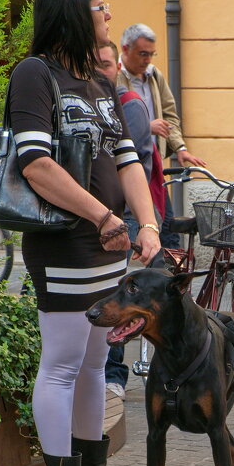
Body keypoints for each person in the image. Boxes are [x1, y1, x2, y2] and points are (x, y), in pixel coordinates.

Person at [9, 0, 161, 466]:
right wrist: (102, 216)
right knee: (63, 364)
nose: (107, 11)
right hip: (65, 244)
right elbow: (36, 165)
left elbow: (129, 159)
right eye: (99, 5)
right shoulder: (35, 76)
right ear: (73, 12)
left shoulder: (95, 82)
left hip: (110, 247)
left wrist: (145, 223)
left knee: (96, 364)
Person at [98, 41, 166, 400]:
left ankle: (113, 374)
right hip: (93, 218)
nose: (100, 70)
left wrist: (144, 223)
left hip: (120, 217)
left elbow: (134, 165)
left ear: (117, 65)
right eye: (94, 63)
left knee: (116, 298)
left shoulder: (130, 106)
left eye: (105, 64)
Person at [117, 22, 206, 246]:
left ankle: (170, 280)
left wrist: (181, 149)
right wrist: (147, 126)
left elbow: (169, 116)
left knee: (167, 231)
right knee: (130, 227)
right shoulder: (113, 76)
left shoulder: (154, 75)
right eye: (143, 54)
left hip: (152, 164)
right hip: (124, 166)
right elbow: (112, 120)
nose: (148, 59)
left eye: (152, 54)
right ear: (125, 49)